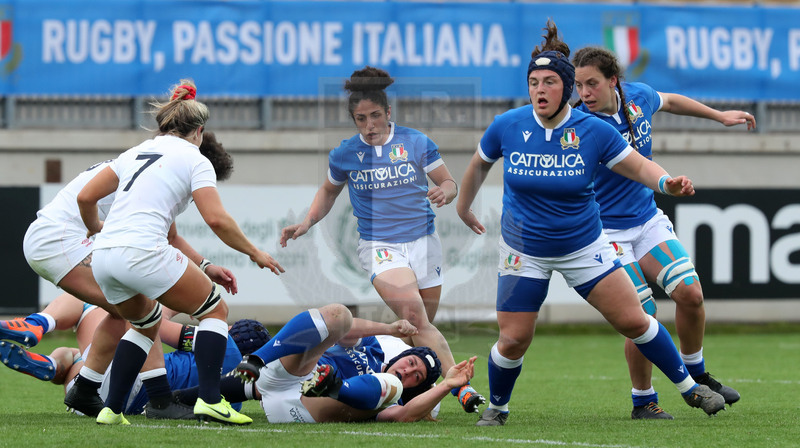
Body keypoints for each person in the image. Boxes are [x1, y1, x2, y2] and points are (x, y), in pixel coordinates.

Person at [456, 20, 727, 427]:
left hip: (584, 247)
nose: (540, 90)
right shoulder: (508, 125)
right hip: (523, 250)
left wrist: (667, 183)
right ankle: (497, 407)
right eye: (533, 82)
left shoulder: (593, 130)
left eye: (550, 82)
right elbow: (479, 163)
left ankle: (691, 389)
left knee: (637, 319)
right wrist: (463, 207)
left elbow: (638, 166)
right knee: (513, 339)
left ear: (566, 88)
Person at [76, 79, 284, 426]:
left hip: (105, 257)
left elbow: (86, 197)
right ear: (198, 131)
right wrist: (254, 252)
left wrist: (95, 227)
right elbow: (216, 219)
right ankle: (210, 400)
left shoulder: (135, 152)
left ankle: (111, 409)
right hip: (142, 250)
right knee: (215, 310)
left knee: (145, 323)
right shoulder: (194, 158)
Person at [278, 66, 484, 412]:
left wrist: (444, 193)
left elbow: (449, 183)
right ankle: (460, 388)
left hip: (424, 243)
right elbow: (329, 191)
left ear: (389, 113)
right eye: (361, 118)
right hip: (379, 246)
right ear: (354, 120)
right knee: (417, 320)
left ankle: (392, 388)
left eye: (375, 116)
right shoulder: (345, 154)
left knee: (415, 331)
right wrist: (307, 222)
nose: (369, 124)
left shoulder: (415, 142)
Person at [5, 130, 239, 418]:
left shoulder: (151, 163)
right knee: (144, 309)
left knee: (125, 311)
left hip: (51, 236)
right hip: (62, 239)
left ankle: (84, 386)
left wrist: (205, 266)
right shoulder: (169, 173)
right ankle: (160, 400)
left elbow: (170, 236)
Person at [571, 46, 750, 419]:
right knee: (642, 315)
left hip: (646, 219)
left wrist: (719, 116)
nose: (584, 93)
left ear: (613, 81)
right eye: (578, 85)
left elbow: (670, 101)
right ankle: (644, 401)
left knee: (691, 293)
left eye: (591, 84)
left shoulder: (638, 97)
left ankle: (698, 371)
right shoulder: (577, 125)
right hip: (606, 233)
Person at [172, 303, 477, 423]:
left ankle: (332, 386)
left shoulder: (395, 398)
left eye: (417, 375)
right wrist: (388, 328)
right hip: (284, 376)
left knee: (392, 387)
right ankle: (176, 399)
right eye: (411, 362)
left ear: (420, 386)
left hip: (306, 407)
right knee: (337, 316)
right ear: (401, 354)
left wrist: (450, 385)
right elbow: (343, 328)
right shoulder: (374, 348)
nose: (408, 370)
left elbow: (407, 414)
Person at [0, 293, 270, 418]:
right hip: (95, 402)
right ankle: (50, 366)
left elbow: (151, 324)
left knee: (92, 303)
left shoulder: (221, 343)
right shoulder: (233, 403)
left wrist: (178, 297)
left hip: (123, 384)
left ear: (230, 330)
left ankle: (38, 324)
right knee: (71, 356)